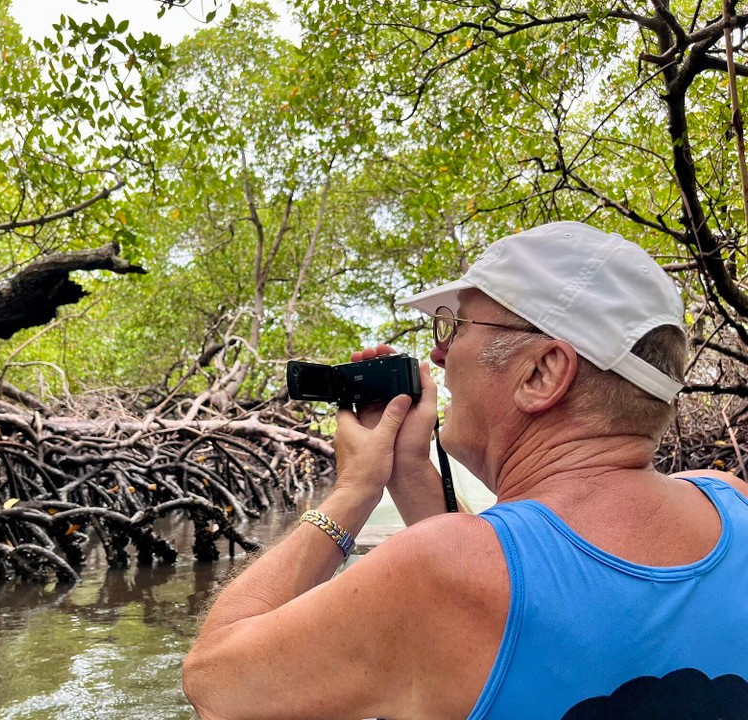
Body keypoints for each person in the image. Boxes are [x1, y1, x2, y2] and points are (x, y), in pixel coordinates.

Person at [181, 221, 748, 719]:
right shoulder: (733, 503)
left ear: (543, 373)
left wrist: (353, 492)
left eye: (457, 328)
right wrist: (408, 468)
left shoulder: (438, 574)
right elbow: (516, 577)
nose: (438, 356)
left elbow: (216, 685)